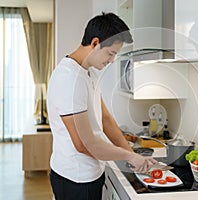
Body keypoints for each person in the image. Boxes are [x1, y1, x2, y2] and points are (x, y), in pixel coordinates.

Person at [46, 12, 157, 200]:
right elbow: (82, 143)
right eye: (111, 53)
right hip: (76, 179)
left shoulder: (89, 73)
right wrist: (128, 157)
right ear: (95, 43)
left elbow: (105, 119)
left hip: (91, 173)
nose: (112, 60)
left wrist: (131, 155)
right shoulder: (69, 79)